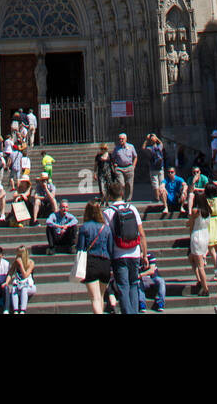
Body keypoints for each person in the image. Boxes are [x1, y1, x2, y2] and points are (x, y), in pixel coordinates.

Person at [104, 176, 149, 314]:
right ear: (122, 193)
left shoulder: (107, 212)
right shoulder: (132, 209)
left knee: (123, 287)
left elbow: (107, 236)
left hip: (118, 254)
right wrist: (145, 254)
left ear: (110, 195)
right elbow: (141, 234)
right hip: (134, 252)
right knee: (134, 285)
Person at [77, 200, 114, 314]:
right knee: (101, 296)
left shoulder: (84, 228)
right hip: (105, 263)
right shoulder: (106, 228)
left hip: (91, 262)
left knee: (94, 298)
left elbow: (80, 248)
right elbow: (110, 248)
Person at [188, 189, 212, 297]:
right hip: (205, 234)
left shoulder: (196, 211)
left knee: (200, 265)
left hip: (197, 236)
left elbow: (190, 224)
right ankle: (200, 280)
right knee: (191, 258)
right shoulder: (208, 210)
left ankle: (205, 287)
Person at [5, 244, 35, 314]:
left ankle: (22, 310)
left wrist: (21, 265)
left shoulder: (31, 263)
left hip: (29, 286)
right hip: (19, 285)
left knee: (24, 290)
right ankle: (15, 310)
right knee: (14, 289)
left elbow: (25, 275)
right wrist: (6, 282)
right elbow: (10, 273)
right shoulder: (16, 263)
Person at [111, 133, 138, 202]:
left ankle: (128, 200)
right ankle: (122, 198)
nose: (121, 140)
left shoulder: (131, 147)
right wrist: (114, 164)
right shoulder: (116, 148)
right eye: (119, 139)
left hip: (129, 167)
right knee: (121, 184)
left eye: (122, 139)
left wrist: (133, 166)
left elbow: (135, 156)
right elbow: (112, 157)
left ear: (126, 139)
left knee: (129, 184)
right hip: (119, 168)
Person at [142, 135, 167, 210]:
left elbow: (143, 148)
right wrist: (156, 138)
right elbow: (161, 143)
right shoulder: (159, 147)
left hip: (153, 167)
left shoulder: (150, 148)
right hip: (160, 167)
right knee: (161, 181)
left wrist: (146, 140)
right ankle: (163, 196)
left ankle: (157, 197)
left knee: (155, 182)